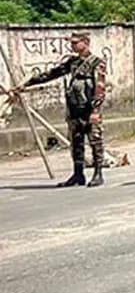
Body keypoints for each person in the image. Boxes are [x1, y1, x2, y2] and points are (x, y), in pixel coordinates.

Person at [11, 32, 107, 187]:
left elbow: (100, 88)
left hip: (89, 109)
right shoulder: (73, 62)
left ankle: (98, 173)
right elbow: (52, 74)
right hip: (74, 108)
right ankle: (78, 174)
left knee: (95, 141)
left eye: (76, 43)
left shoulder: (96, 62)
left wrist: (95, 111)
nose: (72, 45)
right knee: (76, 142)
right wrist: (27, 83)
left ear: (86, 42)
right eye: (72, 43)